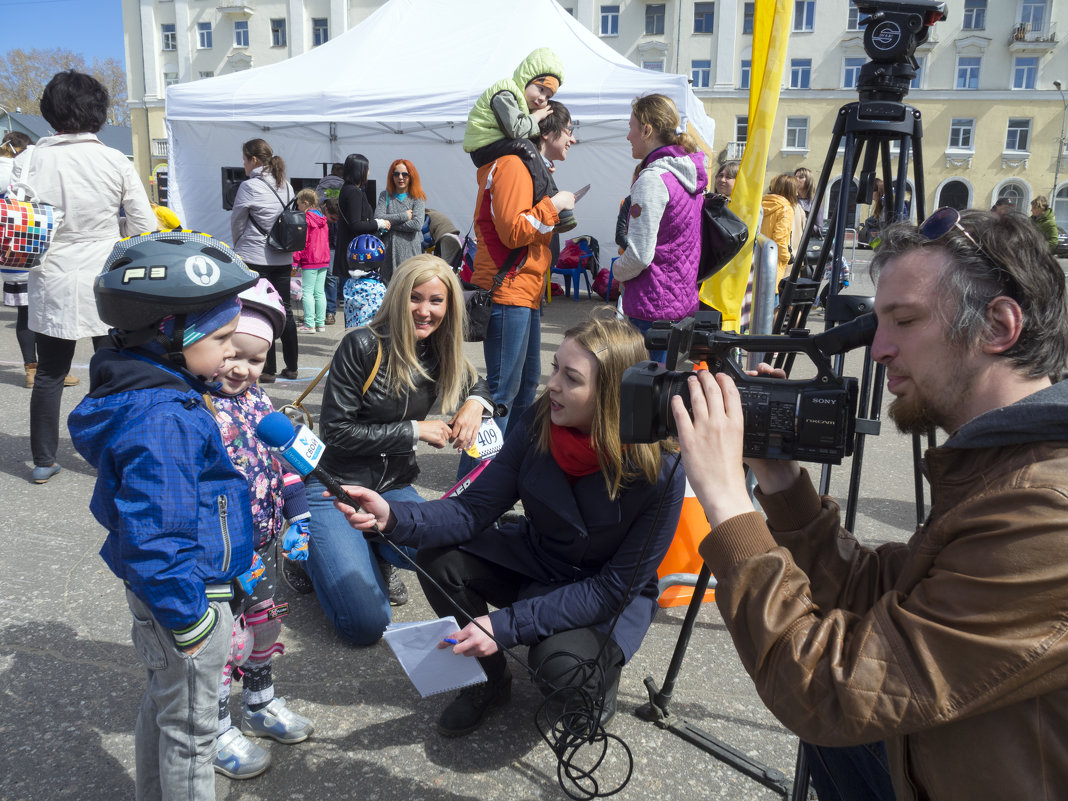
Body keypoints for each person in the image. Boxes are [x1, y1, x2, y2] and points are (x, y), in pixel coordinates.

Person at [673, 209, 1068, 801]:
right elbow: (893, 594)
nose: (878, 349)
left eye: (904, 321)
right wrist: (780, 485)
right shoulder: (1003, 459)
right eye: (876, 323)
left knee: (833, 726)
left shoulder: (1045, 508)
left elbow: (827, 692)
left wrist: (729, 507)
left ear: (999, 326)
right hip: (942, 759)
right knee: (836, 742)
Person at [335, 313, 686, 737]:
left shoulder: (661, 470)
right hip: (539, 560)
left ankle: (597, 681)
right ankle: (489, 678)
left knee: (559, 667)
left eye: (571, 377)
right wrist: (393, 516)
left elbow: (613, 589)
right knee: (440, 559)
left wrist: (505, 625)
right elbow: (473, 509)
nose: (551, 384)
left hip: (603, 594)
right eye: (555, 367)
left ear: (611, 395)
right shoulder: (541, 420)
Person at [67, 231, 260, 801]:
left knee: (165, 705)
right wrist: (192, 620)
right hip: (183, 596)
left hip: (173, 588)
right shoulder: (164, 418)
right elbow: (157, 536)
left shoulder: (150, 388)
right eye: (222, 337)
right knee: (194, 732)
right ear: (170, 334)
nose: (232, 350)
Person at [304, 254, 493, 644]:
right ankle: (307, 559)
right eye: (415, 298)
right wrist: (415, 430)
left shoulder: (440, 348)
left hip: (393, 488)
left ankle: (373, 548)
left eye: (436, 301)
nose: (425, 311)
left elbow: (478, 381)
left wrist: (476, 403)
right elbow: (336, 431)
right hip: (337, 489)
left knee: (451, 555)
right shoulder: (361, 344)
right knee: (366, 627)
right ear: (397, 297)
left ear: (449, 306)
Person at [16, 70, 155, 484]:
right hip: (107, 275)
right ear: (98, 112)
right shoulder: (113, 159)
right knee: (114, 368)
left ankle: (43, 459)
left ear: (49, 111)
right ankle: (114, 452)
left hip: (50, 272)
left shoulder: (28, 160)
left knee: (50, 373)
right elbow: (144, 224)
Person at [207, 279, 315, 779]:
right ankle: (213, 725)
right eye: (231, 354)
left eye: (254, 360)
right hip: (220, 555)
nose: (241, 369)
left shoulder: (259, 401)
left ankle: (259, 704)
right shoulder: (197, 406)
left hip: (265, 543)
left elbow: (286, 463)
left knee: (263, 627)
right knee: (221, 644)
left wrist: (301, 513)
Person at [469, 101, 575, 437]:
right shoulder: (514, 165)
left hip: (523, 289)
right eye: (569, 131)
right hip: (508, 289)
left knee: (526, 386)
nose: (572, 139)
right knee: (502, 392)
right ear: (547, 132)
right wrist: (553, 206)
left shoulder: (528, 167)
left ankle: (506, 468)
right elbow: (513, 231)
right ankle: (476, 477)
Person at [615, 93, 707, 352]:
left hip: (651, 309)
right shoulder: (686, 178)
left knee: (644, 389)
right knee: (666, 389)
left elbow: (640, 256)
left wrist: (617, 271)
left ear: (646, 130)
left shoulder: (653, 179)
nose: (628, 136)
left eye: (631, 127)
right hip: (680, 304)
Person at [463, 46, 575, 233]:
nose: (541, 99)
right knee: (525, 146)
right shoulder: (505, 93)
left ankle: (551, 202)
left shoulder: (518, 101)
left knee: (527, 148)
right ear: (527, 78)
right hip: (483, 146)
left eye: (548, 96)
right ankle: (552, 199)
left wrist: (542, 167)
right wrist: (537, 118)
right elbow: (516, 130)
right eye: (540, 89)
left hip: (491, 144)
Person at [1, 131, 80, 391]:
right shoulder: (40, 160)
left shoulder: (11, 169)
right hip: (40, 246)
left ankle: (31, 370)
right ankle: (55, 370)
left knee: (25, 313)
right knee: (49, 312)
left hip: (13, 251)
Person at [230, 138, 300, 383]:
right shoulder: (287, 185)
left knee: (260, 310)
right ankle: (292, 366)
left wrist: (238, 245)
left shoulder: (249, 186)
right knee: (286, 311)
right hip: (283, 255)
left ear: (254, 160)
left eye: (245, 159)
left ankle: (268, 369)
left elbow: (238, 221)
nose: (244, 164)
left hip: (255, 255)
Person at [332, 153, 390, 322]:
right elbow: (356, 224)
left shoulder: (347, 189)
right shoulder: (354, 192)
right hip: (358, 254)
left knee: (353, 301)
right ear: (360, 170)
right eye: (367, 169)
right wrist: (378, 223)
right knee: (360, 303)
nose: (369, 173)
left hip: (351, 252)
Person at [374, 159, 427, 284]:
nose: (400, 177)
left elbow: (416, 224)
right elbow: (378, 217)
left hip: (410, 252)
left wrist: (388, 223)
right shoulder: (385, 195)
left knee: (408, 288)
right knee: (388, 290)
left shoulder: (418, 197)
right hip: (388, 252)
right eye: (396, 174)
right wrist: (403, 216)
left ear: (411, 176)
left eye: (405, 174)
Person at [291, 188, 331, 333]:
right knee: (319, 292)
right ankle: (320, 324)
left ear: (305, 203)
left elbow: (302, 242)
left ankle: (309, 324)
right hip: (324, 259)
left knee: (307, 292)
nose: (297, 207)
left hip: (310, 259)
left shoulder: (306, 219)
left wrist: (295, 261)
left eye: (299, 204)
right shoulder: (322, 219)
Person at [316, 163, 345, 325]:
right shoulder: (345, 186)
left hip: (321, 238)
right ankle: (331, 312)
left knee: (320, 278)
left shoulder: (321, 185)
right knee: (333, 276)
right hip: (336, 238)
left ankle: (321, 313)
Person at [760, 173, 799, 287]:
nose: (797, 194)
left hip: (757, 257)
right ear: (790, 191)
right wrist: (786, 257)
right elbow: (779, 238)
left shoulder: (762, 203)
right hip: (773, 260)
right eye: (796, 190)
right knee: (771, 299)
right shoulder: (785, 208)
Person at [794, 166, 824, 234]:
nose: (796, 179)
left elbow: (819, 229)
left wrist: (803, 219)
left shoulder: (815, 203)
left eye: (801, 177)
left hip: (805, 241)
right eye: (795, 177)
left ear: (808, 181)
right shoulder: (791, 199)